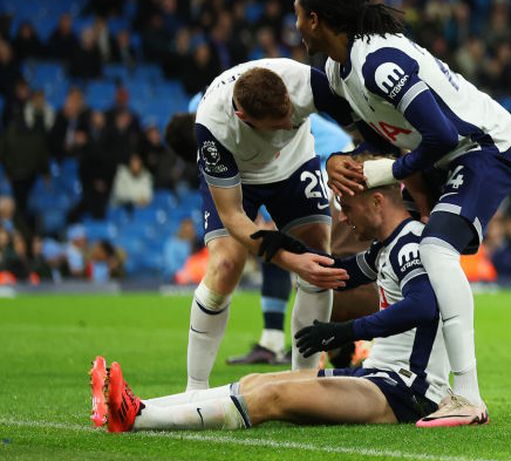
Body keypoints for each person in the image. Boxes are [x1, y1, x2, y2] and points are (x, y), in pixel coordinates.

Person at [293, 0, 511, 428]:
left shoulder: (377, 64)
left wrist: (385, 171)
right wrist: (345, 158)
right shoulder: (339, 72)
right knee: (398, 249)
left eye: (299, 16)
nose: (296, 25)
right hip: (442, 159)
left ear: (316, 20)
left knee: (434, 250)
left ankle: (467, 396)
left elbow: (440, 134)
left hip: (483, 146)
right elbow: (377, 140)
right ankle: (399, 366)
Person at [92, 153, 448, 432]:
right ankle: (135, 406)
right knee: (256, 380)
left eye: (348, 207)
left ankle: (137, 418)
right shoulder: (387, 246)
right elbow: (335, 272)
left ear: (377, 202)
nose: (341, 219)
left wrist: (346, 331)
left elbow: (423, 306)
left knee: (272, 396)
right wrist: (286, 248)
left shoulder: (410, 245)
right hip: (377, 376)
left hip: (406, 392)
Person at [162, 59, 357, 392]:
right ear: (244, 118)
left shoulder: (303, 82)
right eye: (277, 123)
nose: (287, 125)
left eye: (290, 116)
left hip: (297, 165)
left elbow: (360, 118)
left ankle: (304, 383)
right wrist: (291, 261)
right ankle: (195, 388)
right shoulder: (213, 127)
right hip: (241, 177)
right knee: (226, 263)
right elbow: (234, 218)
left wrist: (344, 155)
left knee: (319, 256)